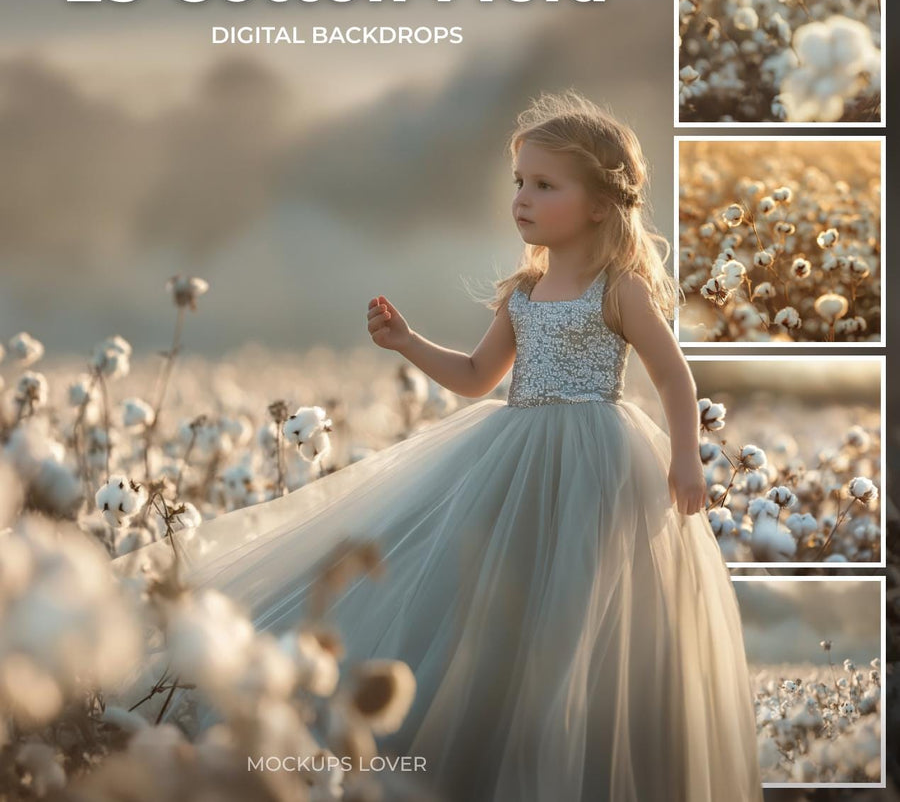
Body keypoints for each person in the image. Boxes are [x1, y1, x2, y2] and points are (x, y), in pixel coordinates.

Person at [112, 90, 764, 801]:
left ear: (602, 204)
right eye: (519, 182)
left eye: (545, 185)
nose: (522, 199)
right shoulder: (523, 292)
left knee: (583, 606)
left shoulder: (620, 289)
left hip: (600, 462)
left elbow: (673, 375)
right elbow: (479, 377)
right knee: (494, 599)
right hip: (511, 458)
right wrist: (408, 341)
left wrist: (683, 458)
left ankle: (573, 753)